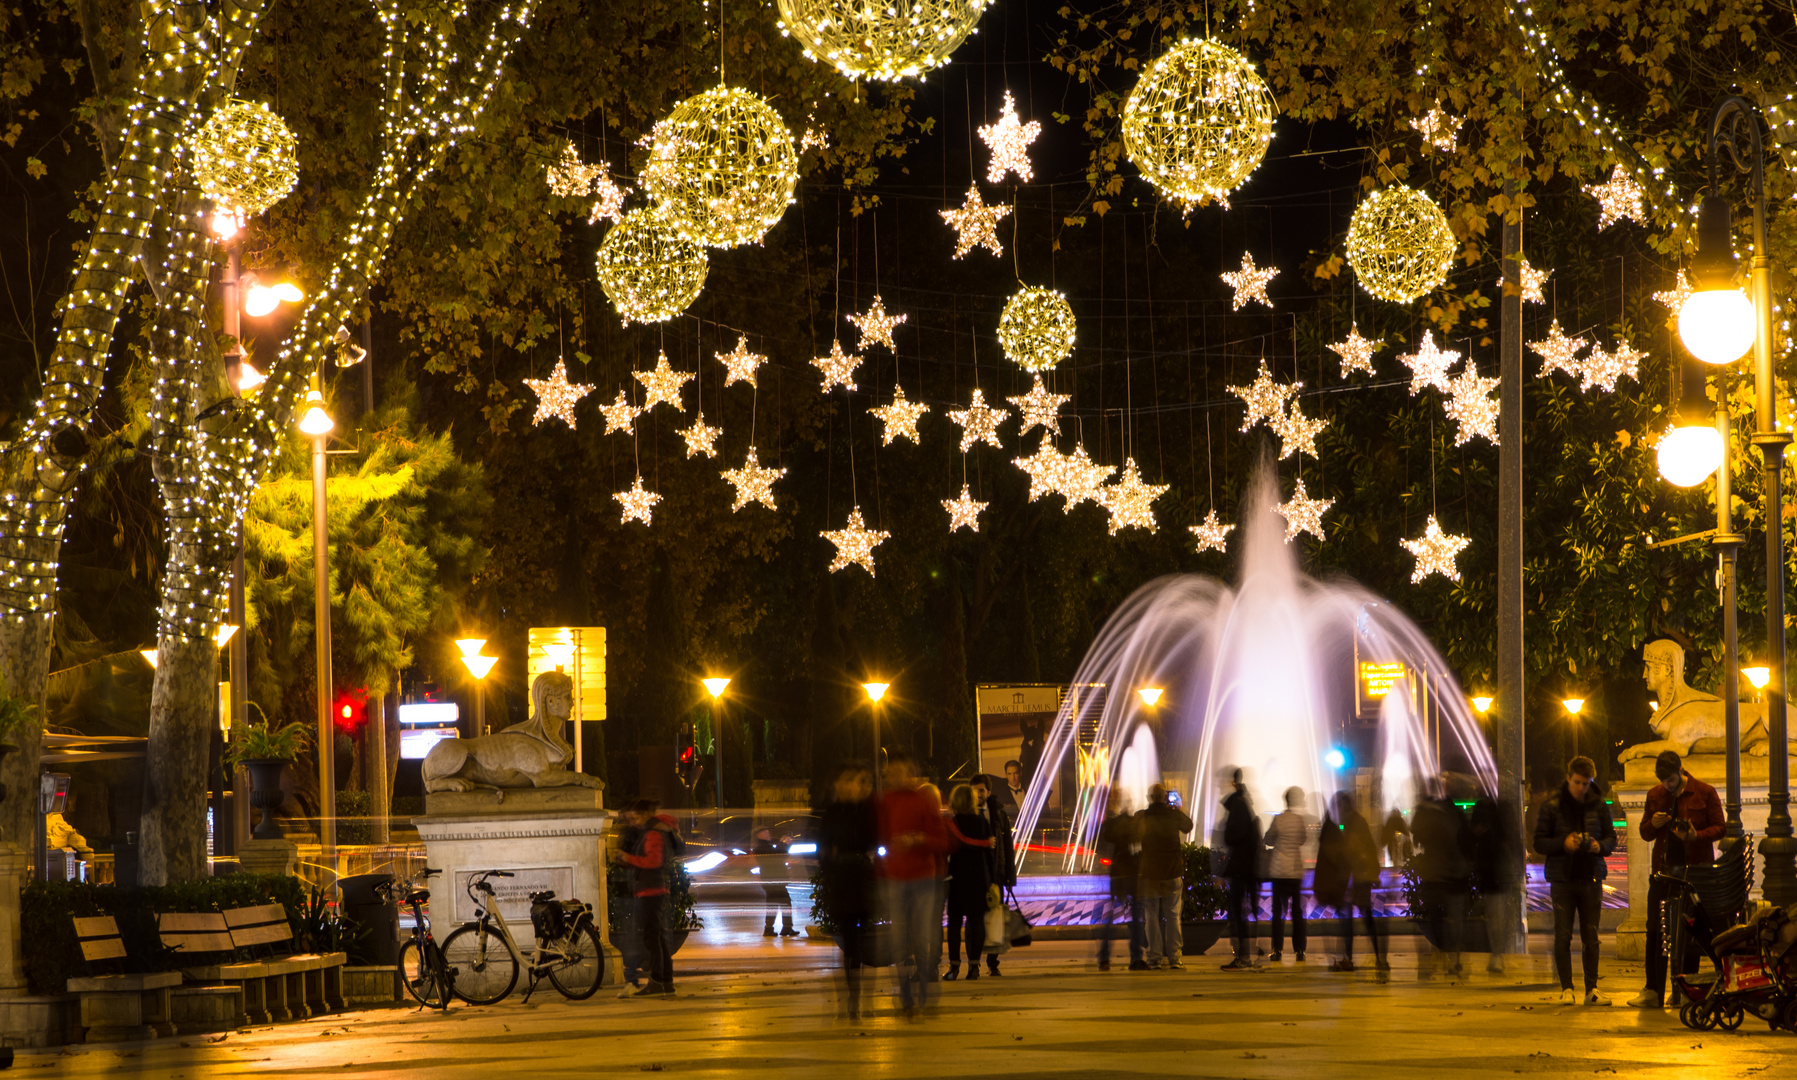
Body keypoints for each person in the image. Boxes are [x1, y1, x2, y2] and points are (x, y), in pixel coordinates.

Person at [1629, 750, 1725, 1009]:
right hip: (1663, 872)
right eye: (1663, 781)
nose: (1667, 786)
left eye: (1671, 780)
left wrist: (1697, 835)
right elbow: (1645, 833)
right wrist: (1655, 824)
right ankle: (1653, 989)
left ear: (1681, 771)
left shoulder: (1704, 792)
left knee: (1690, 931)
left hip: (1694, 872)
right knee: (1655, 930)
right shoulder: (1655, 795)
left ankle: (1685, 988)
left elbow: (1720, 827)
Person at [1533, 755, 1617, 1004]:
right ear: (1568, 778)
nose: (1582, 788)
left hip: (1591, 876)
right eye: (1578, 782)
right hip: (1563, 879)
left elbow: (1611, 839)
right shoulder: (1552, 806)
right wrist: (1563, 843)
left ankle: (1592, 989)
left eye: (1586, 783)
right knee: (1563, 936)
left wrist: (1597, 846)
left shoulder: (1599, 805)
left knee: (1591, 936)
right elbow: (1539, 842)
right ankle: (1566, 988)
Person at [877, 752, 948, 1016]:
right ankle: (905, 993)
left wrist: (918, 839)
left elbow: (941, 841)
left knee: (922, 937)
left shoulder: (923, 800)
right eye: (891, 772)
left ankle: (926, 989)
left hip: (922, 878)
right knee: (899, 939)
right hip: (896, 878)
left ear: (911, 773)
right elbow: (879, 838)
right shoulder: (884, 802)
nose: (896, 777)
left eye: (901, 771)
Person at [818, 762, 876, 1019]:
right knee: (849, 941)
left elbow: (874, 841)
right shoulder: (831, 813)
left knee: (862, 940)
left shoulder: (865, 811)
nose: (850, 786)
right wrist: (832, 860)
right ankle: (853, 994)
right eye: (845, 781)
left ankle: (860, 993)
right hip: (843, 881)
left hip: (861, 880)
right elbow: (822, 848)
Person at [610, 798, 679, 996]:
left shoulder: (654, 833)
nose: (633, 822)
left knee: (653, 938)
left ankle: (658, 981)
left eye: (635, 817)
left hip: (652, 891)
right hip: (652, 889)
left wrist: (627, 858)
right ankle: (665, 982)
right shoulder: (655, 831)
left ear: (643, 815)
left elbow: (653, 861)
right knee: (657, 936)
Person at [1411, 780, 1471, 978]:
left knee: (1436, 915)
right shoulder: (1451, 812)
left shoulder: (1430, 812)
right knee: (1452, 918)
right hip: (1452, 872)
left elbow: (1416, 835)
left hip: (1439, 872)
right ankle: (1454, 959)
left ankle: (1446, 955)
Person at [1325, 792, 1386, 975]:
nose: (1339, 810)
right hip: (1359, 876)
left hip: (1358, 877)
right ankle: (1373, 958)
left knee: (1355, 918)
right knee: (1358, 918)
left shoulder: (1353, 822)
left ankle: (1360, 958)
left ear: (1347, 806)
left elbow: (1354, 849)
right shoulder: (1355, 821)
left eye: (1340, 806)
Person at [1136, 784, 1193, 970]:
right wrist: (1178, 809)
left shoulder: (1143, 816)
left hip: (1150, 874)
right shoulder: (1173, 814)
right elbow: (1188, 826)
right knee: (1173, 916)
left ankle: (1154, 957)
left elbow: (1134, 832)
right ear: (1165, 798)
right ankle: (1175, 958)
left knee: (1151, 916)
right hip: (1172, 872)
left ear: (1150, 798)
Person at [942, 784, 995, 981]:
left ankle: (954, 967)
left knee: (955, 924)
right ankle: (974, 967)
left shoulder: (953, 823)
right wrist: (992, 880)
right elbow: (990, 852)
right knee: (976, 921)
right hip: (979, 877)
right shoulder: (982, 822)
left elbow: (948, 849)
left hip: (958, 878)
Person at [1469, 792, 1523, 974]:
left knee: (1496, 915)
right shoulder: (1498, 809)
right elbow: (1514, 839)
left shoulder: (1489, 809)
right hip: (1495, 870)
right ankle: (1498, 954)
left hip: (1494, 870)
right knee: (1497, 915)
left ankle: (1498, 954)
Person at [971, 774, 1016, 976]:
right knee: (975, 919)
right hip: (976, 874)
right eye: (974, 790)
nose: (977, 794)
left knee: (995, 918)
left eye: (981, 790)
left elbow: (1007, 846)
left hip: (996, 872)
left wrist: (1009, 876)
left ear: (988, 792)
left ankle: (992, 961)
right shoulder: (967, 812)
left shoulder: (998, 813)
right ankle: (974, 961)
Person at [1219, 769, 1263, 970]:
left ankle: (1243, 956)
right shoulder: (1245, 803)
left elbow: (1233, 836)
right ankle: (1246, 953)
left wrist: (1226, 833)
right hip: (1246, 867)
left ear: (1232, 782)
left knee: (1237, 912)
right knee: (1241, 911)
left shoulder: (1238, 805)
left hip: (1240, 866)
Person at [1096, 791, 1144, 970]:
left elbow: (1105, 840)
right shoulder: (1131, 823)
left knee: (1111, 918)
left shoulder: (1112, 824)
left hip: (1117, 874)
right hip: (1130, 873)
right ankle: (1136, 957)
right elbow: (1138, 838)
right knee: (1135, 917)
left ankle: (1104, 956)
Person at [1265, 786, 1309, 962]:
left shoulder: (1278, 820)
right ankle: (1299, 950)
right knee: (1297, 913)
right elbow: (1302, 839)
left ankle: (1277, 950)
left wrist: (1277, 841)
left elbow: (1268, 839)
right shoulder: (1298, 820)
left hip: (1279, 871)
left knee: (1278, 912)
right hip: (1295, 872)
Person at [753, 828, 799, 937]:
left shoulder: (765, 847)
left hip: (772, 880)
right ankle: (782, 928)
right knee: (784, 903)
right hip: (773, 880)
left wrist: (783, 844)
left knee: (776, 904)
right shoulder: (762, 848)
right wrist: (785, 844)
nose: (769, 834)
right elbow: (779, 857)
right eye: (766, 833)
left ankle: (776, 928)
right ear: (760, 835)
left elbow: (778, 854)